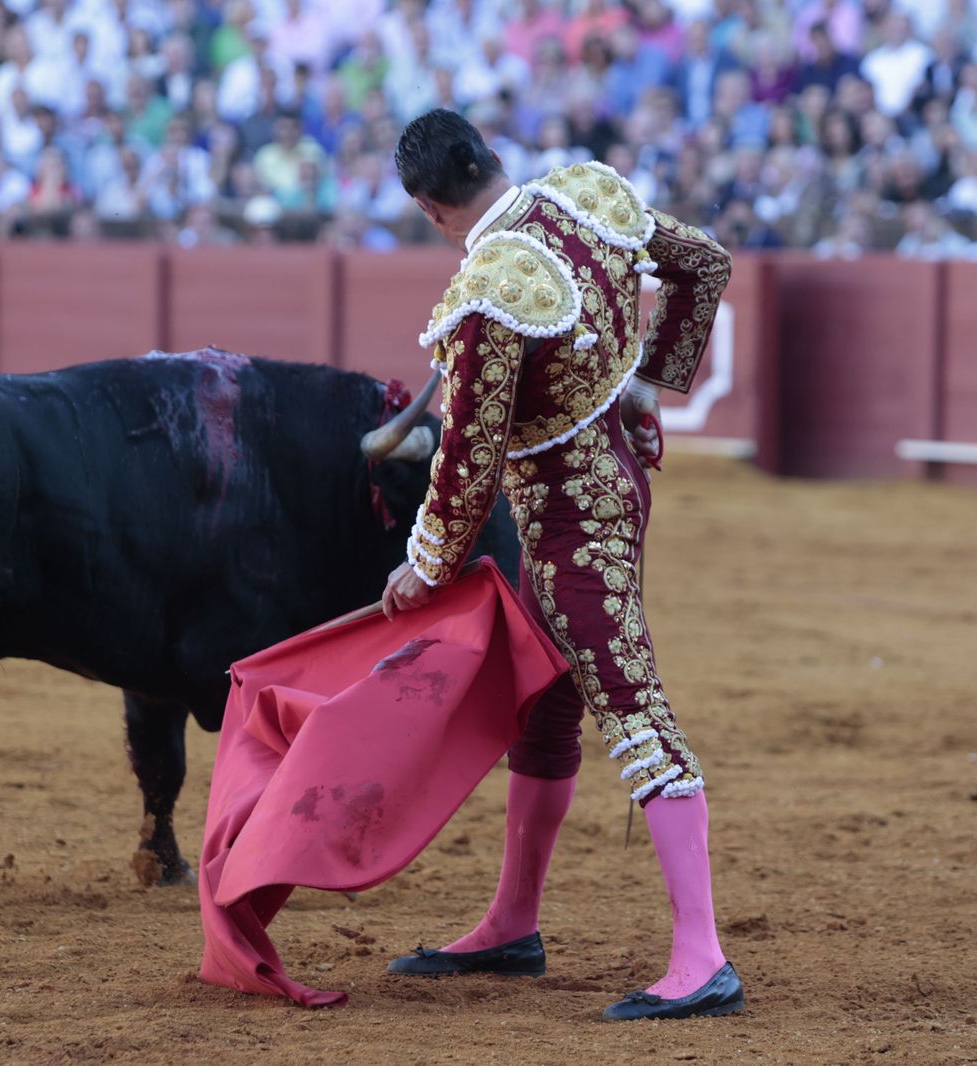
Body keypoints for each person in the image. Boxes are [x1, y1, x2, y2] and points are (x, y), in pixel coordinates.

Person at [376, 109, 741, 1022]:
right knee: (546, 709)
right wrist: (646, 388)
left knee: (634, 709)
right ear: (489, 158)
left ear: (429, 208)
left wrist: (425, 564)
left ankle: (703, 956)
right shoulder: (585, 195)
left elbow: (467, 459)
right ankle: (512, 924)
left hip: (575, 524)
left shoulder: (488, 292)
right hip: (606, 491)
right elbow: (704, 264)